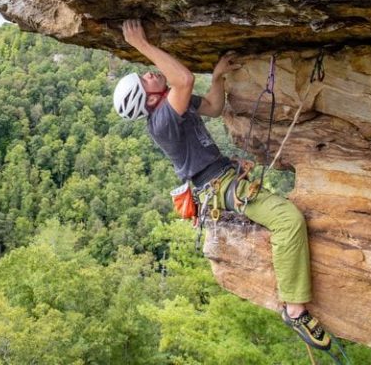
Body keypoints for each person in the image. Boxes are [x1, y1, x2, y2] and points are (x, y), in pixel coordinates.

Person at [113, 18, 331, 351]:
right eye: (145, 81)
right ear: (150, 101)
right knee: (288, 220)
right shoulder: (161, 121)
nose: (149, 74)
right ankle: (295, 310)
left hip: (221, 177)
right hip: (216, 185)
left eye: (144, 72)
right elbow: (183, 78)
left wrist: (216, 78)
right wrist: (141, 44)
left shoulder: (176, 105)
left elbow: (214, 107)